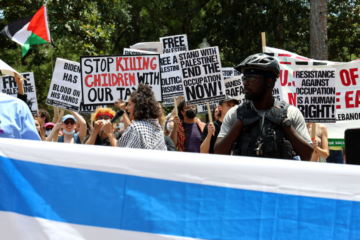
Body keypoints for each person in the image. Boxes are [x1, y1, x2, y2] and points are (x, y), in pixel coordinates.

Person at [215, 53, 313, 160]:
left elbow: (308, 156)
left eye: (251, 78)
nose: (245, 83)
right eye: (244, 78)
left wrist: (286, 124)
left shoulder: (291, 113)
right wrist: (240, 122)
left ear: (268, 82)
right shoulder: (235, 113)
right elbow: (219, 153)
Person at [116, 84, 167, 150]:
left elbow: (124, 153)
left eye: (129, 104)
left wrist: (110, 133)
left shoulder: (136, 127)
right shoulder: (156, 125)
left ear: (138, 106)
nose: (126, 108)